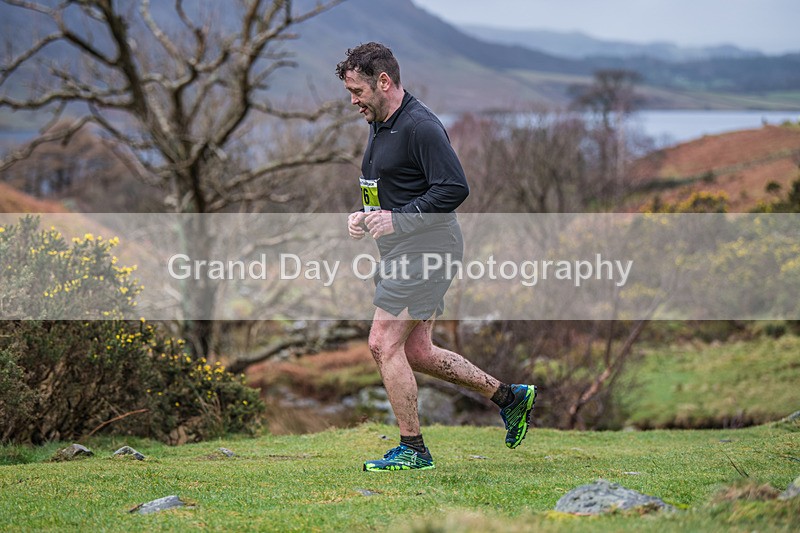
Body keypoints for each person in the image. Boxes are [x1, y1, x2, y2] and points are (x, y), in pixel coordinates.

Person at [336, 42, 537, 472]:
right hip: (404, 250)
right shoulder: (380, 122)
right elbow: (393, 187)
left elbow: (453, 189)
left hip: (427, 250)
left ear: (383, 82)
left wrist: (399, 220)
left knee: (381, 343)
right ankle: (509, 397)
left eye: (357, 91)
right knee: (419, 352)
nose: (353, 101)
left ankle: (413, 449)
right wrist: (366, 216)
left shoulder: (420, 126)